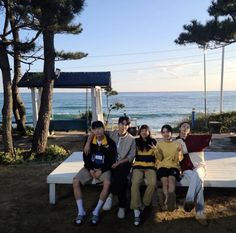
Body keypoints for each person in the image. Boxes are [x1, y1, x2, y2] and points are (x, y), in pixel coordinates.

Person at [84, 116, 136, 219]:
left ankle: (111, 194)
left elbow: (131, 156)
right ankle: (121, 205)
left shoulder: (131, 139)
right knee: (122, 180)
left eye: (126, 124)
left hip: (124, 162)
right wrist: (87, 143)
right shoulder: (112, 133)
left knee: (120, 174)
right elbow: (96, 130)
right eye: (121, 124)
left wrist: (119, 162)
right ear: (118, 124)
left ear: (129, 126)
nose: (123, 127)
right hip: (110, 161)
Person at [73, 121, 116, 225]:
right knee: (75, 181)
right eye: (95, 129)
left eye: (99, 128)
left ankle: (96, 212)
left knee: (107, 184)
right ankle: (81, 211)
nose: (97, 131)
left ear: (103, 128)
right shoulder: (89, 142)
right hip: (90, 168)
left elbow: (111, 161)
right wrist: (91, 169)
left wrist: (101, 170)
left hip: (103, 169)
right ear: (92, 130)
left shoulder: (110, 143)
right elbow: (86, 158)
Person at [176, 121, 212, 226]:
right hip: (186, 169)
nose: (185, 128)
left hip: (199, 166)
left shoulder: (196, 139)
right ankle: (200, 214)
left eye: (187, 127)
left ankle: (189, 199)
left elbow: (208, 141)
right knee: (199, 183)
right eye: (183, 126)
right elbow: (175, 158)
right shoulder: (176, 142)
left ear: (189, 130)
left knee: (197, 176)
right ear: (179, 128)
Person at [130, 124, 157, 226]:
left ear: (149, 132)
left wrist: (155, 150)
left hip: (150, 166)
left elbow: (157, 156)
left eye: (146, 131)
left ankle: (144, 203)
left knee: (152, 183)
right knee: (135, 183)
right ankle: (136, 209)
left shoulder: (153, 141)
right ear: (139, 132)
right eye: (142, 131)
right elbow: (132, 154)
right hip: (138, 165)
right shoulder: (136, 141)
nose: (144, 132)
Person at [155, 124, 183, 211]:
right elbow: (159, 158)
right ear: (162, 134)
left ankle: (168, 202)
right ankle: (168, 201)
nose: (166, 134)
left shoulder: (177, 144)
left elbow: (177, 160)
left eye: (168, 132)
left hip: (173, 166)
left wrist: (178, 152)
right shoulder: (159, 144)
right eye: (163, 132)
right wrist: (157, 150)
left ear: (171, 133)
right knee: (164, 181)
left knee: (171, 179)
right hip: (162, 166)